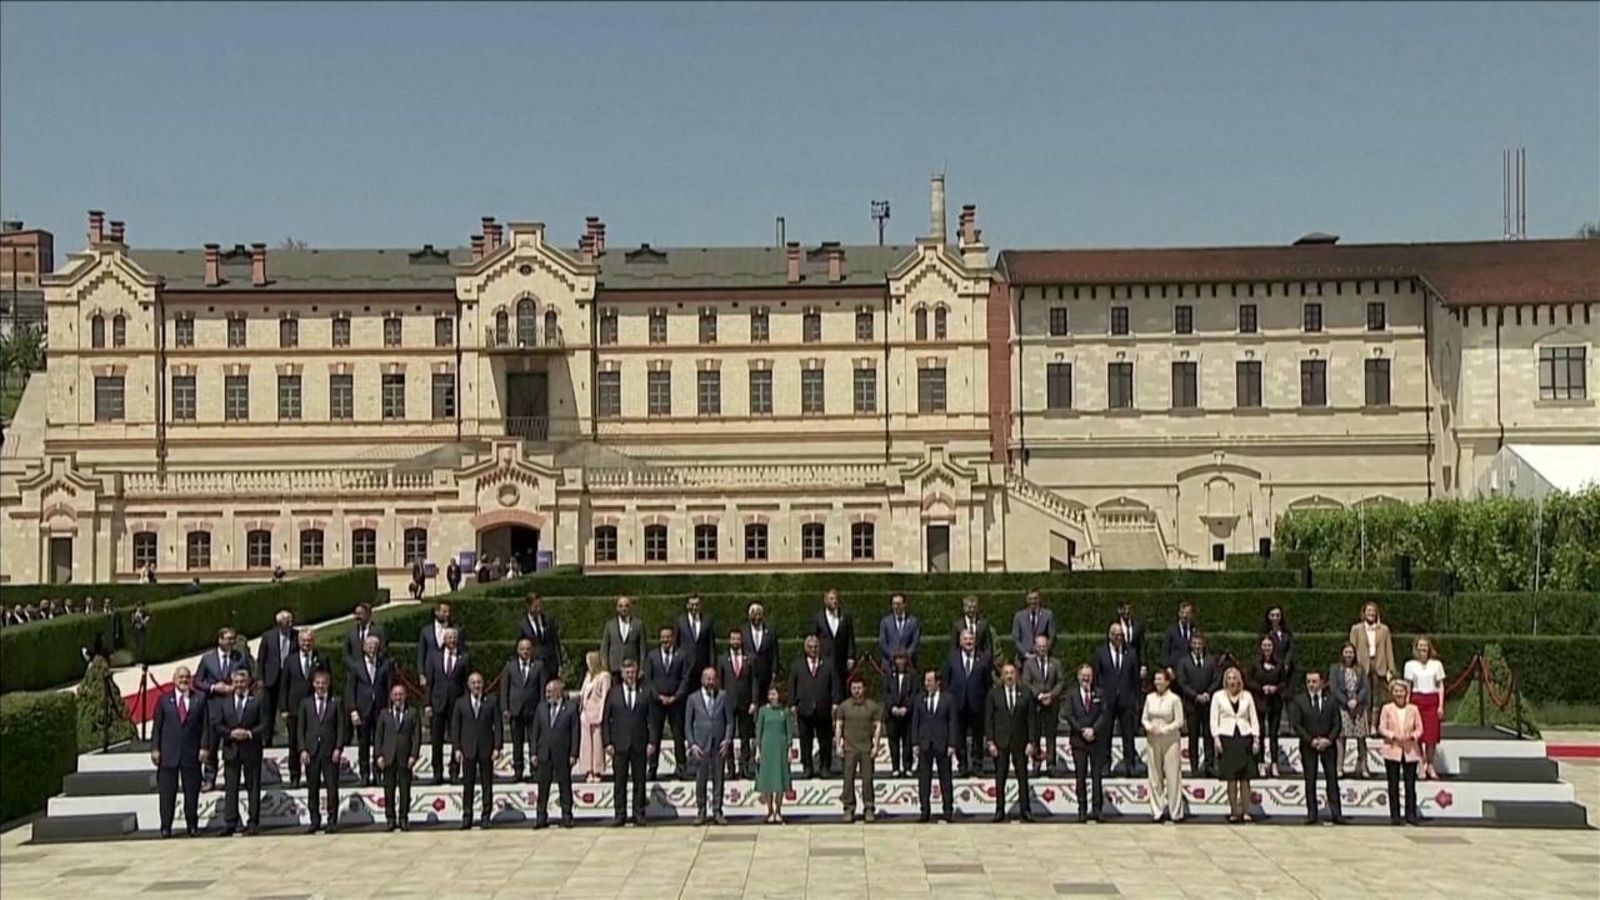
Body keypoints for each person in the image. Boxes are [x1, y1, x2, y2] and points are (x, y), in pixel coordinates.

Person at [150, 666, 208, 838]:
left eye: (187, 677)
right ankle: (166, 827)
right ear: (174, 679)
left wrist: (204, 747)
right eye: (181, 677)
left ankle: (192, 825)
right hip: (168, 755)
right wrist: (155, 749)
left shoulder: (199, 699)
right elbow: (157, 727)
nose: (184, 680)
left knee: (192, 792)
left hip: (191, 754)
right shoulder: (164, 700)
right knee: (167, 794)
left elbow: (206, 726)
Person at [195, 627, 251, 788]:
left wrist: (236, 687)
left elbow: (249, 677)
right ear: (220, 640)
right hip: (213, 706)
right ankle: (209, 778)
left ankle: (232, 779)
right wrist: (213, 687)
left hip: (233, 707)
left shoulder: (240, 658)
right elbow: (197, 682)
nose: (231, 642)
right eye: (228, 638)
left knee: (232, 744)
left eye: (233, 639)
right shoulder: (208, 659)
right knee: (211, 744)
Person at [215, 669, 266, 836]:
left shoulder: (257, 700)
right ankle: (231, 822)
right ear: (232, 683)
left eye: (242, 682)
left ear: (248, 682)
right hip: (231, 749)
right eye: (236, 682)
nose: (239, 685)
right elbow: (217, 725)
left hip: (251, 749)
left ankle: (253, 822)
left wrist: (249, 733)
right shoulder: (224, 702)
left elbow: (265, 724)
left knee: (253, 786)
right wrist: (230, 733)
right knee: (231, 787)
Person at [602, 658, 653, 827]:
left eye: (632, 672)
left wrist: (652, 741)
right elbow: (605, 720)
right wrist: (607, 742)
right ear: (622, 674)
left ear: (637, 673)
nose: (630, 675)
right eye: (627, 672)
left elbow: (651, 719)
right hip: (619, 744)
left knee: (640, 781)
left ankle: (639, 813)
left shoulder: (644, 692)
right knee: (620, 781)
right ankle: (620, 814)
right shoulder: (613, 693)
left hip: (639, 743)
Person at [1292, 668, 1345, 825]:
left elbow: (1337, 723)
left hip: (1328, 746)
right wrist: (1311, 740)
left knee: (1332, 779)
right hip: (1309, 746)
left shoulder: (1332, 700)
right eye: (1308, 682)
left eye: (1314, 682)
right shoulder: (1299, 700)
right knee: (1310, 780)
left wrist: (1328, 740)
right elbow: (1297, 725)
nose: (1311, 685)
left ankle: (1336, 813)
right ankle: (1312, 813)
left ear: (1321, 682)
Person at [298, 669, 347, 834]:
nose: (320, 686)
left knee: (332, 788)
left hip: (330, 752)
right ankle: (314, 820)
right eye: (318, 683)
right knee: (313, 789)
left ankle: (332, 821)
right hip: (311, 752)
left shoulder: (336, 702)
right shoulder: (305, 703)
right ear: (313, 684)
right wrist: (303, 749)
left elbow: (341, 727)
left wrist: (338, 748)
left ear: (328, 684)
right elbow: (300, 729)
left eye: (323, 683)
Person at [1093, 621, 1144, 777]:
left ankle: (1130, 765)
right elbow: (1096, 677)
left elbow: (1135, 679)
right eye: (1114, 635)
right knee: (1105, 736)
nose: (1117, 638)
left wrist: (1136, 700)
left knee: (1128, 736)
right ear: (1109, 636)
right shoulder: (1100, 653)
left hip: (1126, 700)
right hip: (1107, 702)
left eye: (1120, 635)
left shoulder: (1132, 653)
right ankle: (1105, 766)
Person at [451, 671, 501, 829]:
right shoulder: (461, 703)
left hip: (486, 749)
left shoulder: (491, 702)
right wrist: (457, 748)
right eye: (473, 683)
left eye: (479, 682)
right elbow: (455, 727)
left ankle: (486, 815)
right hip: (468, 749)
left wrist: (497, 747)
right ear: (468, 685)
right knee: (468, 785)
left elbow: (498, 726)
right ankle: (467, 815)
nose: (477, 685)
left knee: (487, 784)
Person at [986, 662, 1034, 823]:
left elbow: (1031, 720)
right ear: (1002, 676)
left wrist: (1032, 742)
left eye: (1012, 673)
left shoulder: (1026, 693)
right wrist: (990, 741)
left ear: (1016, 675)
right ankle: (999, 810)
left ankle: (1025, 810)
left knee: (1022, 777)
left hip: (1021, 741)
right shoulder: (994, 694)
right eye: (1006, 673)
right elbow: (989, 719)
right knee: (1000, 777)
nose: (1009, 676)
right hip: (1001, 741)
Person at [1211, 666, 1260, 824]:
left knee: (1245, 779)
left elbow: (1253, 718)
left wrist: (1256, 739)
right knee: (1231, 779)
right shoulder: (1218, 696)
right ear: (1225, 681)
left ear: (1240, 680)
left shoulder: (1247, 696)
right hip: (1227, 738)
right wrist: (1216, 738)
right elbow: (1214, 719)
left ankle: (1246, 811)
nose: (1232, 681)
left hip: (1244, 737)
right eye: (1229, 678)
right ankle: (1233, 811)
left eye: (1234, 678)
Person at [531, 677, 581, 829]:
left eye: (550, 691)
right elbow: (535, 733)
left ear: (559, 692)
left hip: (562, 754)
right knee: (543, 786)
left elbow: (575, 732)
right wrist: (533, 752)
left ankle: (566, 815)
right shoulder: (541, 708)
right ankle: (541, 816)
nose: (547, 694)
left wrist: (574, 753)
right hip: (544, 753)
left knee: (564, 785)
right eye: (546, 691)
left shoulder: (571, 708)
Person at [685, 666, 733, 825]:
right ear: (702, 680)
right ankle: (701, 811)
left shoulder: (723, 696)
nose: (711, 682)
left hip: (719, 745)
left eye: (713, 678)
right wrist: (692, 744)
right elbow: (687, 725)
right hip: (700, 746)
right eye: (708, 678)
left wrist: (727, 740)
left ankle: (717, 811)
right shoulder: (693, 698)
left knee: (719, 779)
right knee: (701, 780)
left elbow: (729, 722)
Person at [645, 625, 692, 780]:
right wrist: (658, 696)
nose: (665, 640)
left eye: (668, 637)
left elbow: (685, 678)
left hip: (676, 702)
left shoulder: (681, 655)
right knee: (655, 736)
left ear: (672, 638)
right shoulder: (652, 656)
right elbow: (649, 679)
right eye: (663, 637)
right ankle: (652, 768)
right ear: (660, 639)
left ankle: (681, 768)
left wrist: (676, 696)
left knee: (678, 736)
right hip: (656, 702)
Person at [423, 628, 469, 785]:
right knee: (437, 740)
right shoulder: (434, 657)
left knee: (456, 739)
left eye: (454, 638)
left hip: (456, 705)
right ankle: (437, 772)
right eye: (449, 638)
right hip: (438, 703)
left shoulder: (464, 658)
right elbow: (430, 682)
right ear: (444, 640)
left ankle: (454, 771)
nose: (452, 640)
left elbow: (465, 683)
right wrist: (427, 703)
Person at [834, 676, 883, 823]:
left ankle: (869, 808)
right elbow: (838, 726)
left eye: (859, 688)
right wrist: (838, 745)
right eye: (854, 688)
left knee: (867, 780)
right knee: (848, 780)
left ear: (864, 688)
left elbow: (878, 726)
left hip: (866, 749)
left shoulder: (872, 706)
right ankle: (848, 808)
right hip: (849, 748)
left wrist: (876, 746)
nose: (857, 691)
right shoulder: (844, 706)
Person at [945, 628, 993, 777]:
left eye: (971, 639)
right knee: (960, 736)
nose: (968, 642)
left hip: (977, 704)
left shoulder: (983, 659)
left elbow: (988, 683)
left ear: (975, 641)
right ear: (960, 641)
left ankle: (978, 765)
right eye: (965, 639)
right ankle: (963, 764)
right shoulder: (952, 658)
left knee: (978, 736)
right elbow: (947, 681)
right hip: (958, 704)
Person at [345, 634, 391, 786]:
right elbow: (350, 690)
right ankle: (364, 774)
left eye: (375, 648)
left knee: (380, 743)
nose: (372, 650)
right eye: (369, 647)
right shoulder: (356, 667)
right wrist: (352, 710)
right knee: (363, 743)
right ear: (364, 648)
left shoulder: (385, 665)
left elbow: (389, 687)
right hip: (362, 710)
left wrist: (389, 709)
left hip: (380, 710)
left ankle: (378, 773)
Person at [1065, 663, 1109, 823]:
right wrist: (1082, 730)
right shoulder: (1071, 694)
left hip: (1096, 741)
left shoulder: (1100, 693)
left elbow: (1104, 714)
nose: (1086, 678)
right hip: (1079, 741)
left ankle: (1097, 809)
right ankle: (1082, 809)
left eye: (1088, 675)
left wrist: (1094, 730)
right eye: (1083, 675)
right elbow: (1068, 715)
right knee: (1080, 776)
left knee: (1097, 776)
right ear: (1078, 676)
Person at [912, 669, 957, 823]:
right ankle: (924, 810)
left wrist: (952, 743)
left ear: (938, 682)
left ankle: (948, 810)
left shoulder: (948, 699)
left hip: (942, 743)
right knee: (924, 779)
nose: (927, 684)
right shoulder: (919, 699)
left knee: (945, 778)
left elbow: (952, 722)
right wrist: (915, 743)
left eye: (930, 681)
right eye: (925, 681)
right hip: (925, 744)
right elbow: (915, 722)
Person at [500, 637, 547, 783]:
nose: (525, 652)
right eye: (522, 649)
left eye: (527, 649)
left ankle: (535, 771)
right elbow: (504, 689)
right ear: (517, 650)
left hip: (534, 711)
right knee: (517, 743)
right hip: (516, 710)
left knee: (535, 742)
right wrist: (505, 707)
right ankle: (518, 771)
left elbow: (542, 688)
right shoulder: (510, 666)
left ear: (531, 650)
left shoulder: (538, 666)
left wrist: (542, 707)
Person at [1174, 630, 1221, 778]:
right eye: (1194, 643)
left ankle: (1209, 765)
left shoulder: (1211, 661)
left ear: (1203, 644)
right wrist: (1195, 696)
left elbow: (1217, 679)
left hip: (1208, 704)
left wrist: (1208, 693)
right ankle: (1194, 767)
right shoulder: (1184, 662)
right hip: (1192, 705)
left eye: (1199, 643)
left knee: (1208, 735)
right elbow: (1182, 682)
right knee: (1193, 736)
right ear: (1190, 645)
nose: (1197, 646)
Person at [789, 634, 836, 780]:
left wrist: (835, 703)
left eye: (815, 647)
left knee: (825, 740)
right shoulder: (797, 665)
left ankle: (825, 767)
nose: (813, 649)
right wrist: (792, 704)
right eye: (810, 647)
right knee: (805, 740)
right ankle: (807, 767)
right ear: (805, 648)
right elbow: (792, 685)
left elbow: (835, 684)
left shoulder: (828, 664)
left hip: (823, 707)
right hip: (804, 708)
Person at [374, 683, 420, 831]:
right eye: (395, 695)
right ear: (391, 697)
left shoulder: (412, 713)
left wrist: (414, 755)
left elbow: (416, 736)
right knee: (389, 790)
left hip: (405, 758)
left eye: (400, 694)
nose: (398, 697)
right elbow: (378, 736)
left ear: (405, 696)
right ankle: (390, 819)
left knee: (405, 790)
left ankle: (404, 818)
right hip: (388, 757)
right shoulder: (384, 713)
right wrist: (378, 755)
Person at [1141, 668, 1184, 823]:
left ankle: (1175, 812)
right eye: (1155, 679)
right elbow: (1144, 718)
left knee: (1173, 776)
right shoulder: (1149, 698)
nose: (1157, 682)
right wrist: (1149, 727)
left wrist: (1165, 730)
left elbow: (1179, 721)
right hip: (1152, 739)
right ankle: (1157, 810)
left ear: (1167, 681)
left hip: (1170, 740)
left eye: (1160, 679)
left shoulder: (1175, 699)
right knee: (1154, 776)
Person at [281, 629, 323, 789]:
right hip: (294, 708)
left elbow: (327, 682)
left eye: (309, 640)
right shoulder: (290, 660)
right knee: (294, 743)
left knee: (313, 743)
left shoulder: (321, 658)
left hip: (314, 708)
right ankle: (294, 775)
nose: (306, 643)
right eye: (304, 640)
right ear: (299, 642)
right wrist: (284, 708)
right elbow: (284, 685)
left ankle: (313, 775)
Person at [1378, 679, 1424, 825]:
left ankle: (1410, 815)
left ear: (1406, 693)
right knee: (1393, 784)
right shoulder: (1387, 708)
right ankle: (1395, 815)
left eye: (1401, 691)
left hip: (1410, 750)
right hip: (1393, 749)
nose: (1398, 694)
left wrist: (1413, 736)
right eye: (1396, 691)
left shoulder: (1413, 709)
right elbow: (1381, 727)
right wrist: (1392, 735)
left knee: (1410, 785)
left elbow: (1419, 728)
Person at [1349, 601, 1396, 732]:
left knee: (1377, 697)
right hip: (1362, 666)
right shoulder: (1356, 629)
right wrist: (1351, 667)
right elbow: (1351, 648)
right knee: (1364, 696)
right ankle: (1364, 723)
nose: (1371, 613)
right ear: (1364, 613)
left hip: (1379, 664)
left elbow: (1389, 650)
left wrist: (1390, 669)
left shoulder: (1384, 629)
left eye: (1373, 611)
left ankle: (1374, 725)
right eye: (1369, 611)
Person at [1248, 635, 1290, 777]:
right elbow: (1249, 681)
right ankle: (1260, 763)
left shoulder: (1279, 663)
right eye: (1265, 646)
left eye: (1269, 646)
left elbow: (1284, 682)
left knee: (1273, 734)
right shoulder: (1255, 664)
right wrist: (1261, 688)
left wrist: (1275, 688)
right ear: (1261, 647)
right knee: (1259, 733)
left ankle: (1274, 764)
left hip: (1275, 702)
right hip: (1260, 702)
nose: (1267, 648)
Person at [1405, 637, 1446, 780]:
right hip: (1417, 700)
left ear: (1429, 648)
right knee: (1418, 736)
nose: (1423, 649)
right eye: (1420, 646)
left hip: (1432, 701)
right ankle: (1420, 763)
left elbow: (1440, 685)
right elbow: (1408, 686)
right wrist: (1406, 705)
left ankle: (1430, 764)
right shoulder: (1410, 665)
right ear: (1416, 648)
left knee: (1431, 736)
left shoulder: (1436, 664)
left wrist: (1441, 705)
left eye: (1425, 646)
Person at [1021, 635, 1063, 776]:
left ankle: (1051, 764)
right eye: (1039, 646)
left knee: (1051, 735)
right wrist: (1039, 695)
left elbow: (1060, 682)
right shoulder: (1028, 664)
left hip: (1052, 704)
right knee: (1035, 734)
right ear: (1035, 647)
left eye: (1044, 646)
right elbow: (1026, 682)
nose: (1042, 649)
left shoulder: (1055, 663)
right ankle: (1037, 763)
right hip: (1035, 704)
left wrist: (1051, 695)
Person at [718, 629, 757, 779]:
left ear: (741, 640)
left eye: (737, 639)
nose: (735, 642)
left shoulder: (750, 659)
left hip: (745, 703)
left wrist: (754, 701)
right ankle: (730, 768)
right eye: (733, 639)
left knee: (745, 737)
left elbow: (754, 681)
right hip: (727, 703)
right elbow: (720, 683)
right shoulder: (723, 659)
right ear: (729, 640)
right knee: (728, 737)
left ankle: (745, 767)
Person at [1330, 642, 1372, 779]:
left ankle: (1364, 766)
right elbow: (1334, 688)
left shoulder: (1360, 669)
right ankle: (1339, 767)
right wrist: (1346, 701)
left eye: (1351, 652)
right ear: (1342, 653)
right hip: (1343, 706)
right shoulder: (1336, 669)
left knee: (1361, 738)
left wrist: (1357, 700)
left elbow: (1365, 687)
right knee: (1341, 738)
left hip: (1358, 707)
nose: (1349, 655)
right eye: (1346, 652)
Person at [755, 685, 794, 824]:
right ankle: (769, 810)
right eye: (770, 694)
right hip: (767, 747)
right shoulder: (763, 711)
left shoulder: (785, 711)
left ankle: (778, 810)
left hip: (781, 747)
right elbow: (759, 731)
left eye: (774, 694)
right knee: (768, 781)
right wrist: (758, 750)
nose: (771, 697)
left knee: (780, 780)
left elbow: (789, 732)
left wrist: (790, 749)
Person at [812, 588, 856, 704]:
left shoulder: (845, 616)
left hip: (841, 660)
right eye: (831, 599)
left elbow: (850, 638)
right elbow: (814, 639)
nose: (834, 601)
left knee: (842, 688)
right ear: (825, 600)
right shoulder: (818, 618)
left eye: (836, 598)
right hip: (824, 659)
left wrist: (851, 656)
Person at [577, 651, 611, 782]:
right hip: (586, 713)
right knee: (586, 744)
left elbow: (605, 696)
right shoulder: (588, 676)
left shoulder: (604, 676)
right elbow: (582, 693)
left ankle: (597, 770)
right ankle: (588, 770)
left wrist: (602, 714)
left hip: (597, 713)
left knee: (597, 743)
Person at [883, 651, 918, 777]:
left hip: (907, 715)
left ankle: (907, 767)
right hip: (892, 715)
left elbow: (915, 693)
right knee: (893, 741)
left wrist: (906, 708)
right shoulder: (889, 675)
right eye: (897, 659)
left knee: (907, 741)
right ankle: (895, 767)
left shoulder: (912, 675)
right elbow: (886, 693)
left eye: (902, 658)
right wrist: (892, 707)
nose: (900, 662)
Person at [518, 592, 562, 691]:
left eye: (540, 605)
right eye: (535, 606)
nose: (539, 609)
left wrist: (560, 663)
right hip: (535, 666)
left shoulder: (548, 620)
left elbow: (555, 642)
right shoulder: (523, 626)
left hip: (550, 665)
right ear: (528, 606)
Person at [416, 602, 464, 681]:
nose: (447, 614)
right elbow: (421, 653)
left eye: (448, 612)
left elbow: (462, 651)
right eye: (444, 611)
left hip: (450, 672)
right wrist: (421, 673)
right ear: (436, 612)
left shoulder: (457, 630)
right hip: (430, 672)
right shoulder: (425, 631)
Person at [742, 602, 779, 705]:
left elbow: (775, 654)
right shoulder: (743, 631)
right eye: (754, 615)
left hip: (765, 675)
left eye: (759, 614)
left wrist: (774, 673)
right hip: (748, 675)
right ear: (749, 616)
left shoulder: (770, 632)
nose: (757, 617)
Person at [601, 596, 646, 674]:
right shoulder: (610, 625)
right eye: (620, 606)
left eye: (626, 606)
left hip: (632, 669)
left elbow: (642, 648)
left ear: (630, 607)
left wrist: (642, 668)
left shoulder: (638, 624)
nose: (623, 608)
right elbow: (604, 648)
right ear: (616, 608)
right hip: (614, 668)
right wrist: (605, 668)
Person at [678, 593, 718, 680]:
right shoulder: (680, 621)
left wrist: (712, 665)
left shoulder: (707, 621)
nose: (694, 607)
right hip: (685, 667)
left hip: (702, 667)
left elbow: (711, 646)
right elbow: (677, 644)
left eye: (697, 605)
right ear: (687, 605)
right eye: (692, 605)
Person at [877, 593, 922, 669]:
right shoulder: (885, 622)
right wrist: (894, 657)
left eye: (898, 604)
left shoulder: (913, 622)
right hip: (889, 664)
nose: (895, 607)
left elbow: (915, 642)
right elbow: (882, 642)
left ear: (904, 604)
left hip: (908, 664)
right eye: (893, 604)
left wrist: (905, 657)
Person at [1010, 588, 1056, 660]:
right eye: (1030, 599)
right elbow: (1016, 639)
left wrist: (1042, 651)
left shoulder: (1048, 615)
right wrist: (1025, 653)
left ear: (1039, 599)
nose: (1033, 601)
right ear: (1026, 600)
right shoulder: (1019, 616)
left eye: (1035, 598)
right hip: (1023, 658)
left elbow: (1052, 637)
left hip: (1043, 657)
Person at [342, 603, 385, 668]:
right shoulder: (350, 632)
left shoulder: (378, 631)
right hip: (355, 672)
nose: (357, 617)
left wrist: (372, 663)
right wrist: (354, 667)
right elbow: (346, 653)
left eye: (360, 614)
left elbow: (383, 650)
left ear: (368, 615)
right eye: (356, 614)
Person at [1163, 601, 1199, 672]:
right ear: (1179, 614)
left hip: (1191, 669)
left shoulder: (1195, 629)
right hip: (1174, 669)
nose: (1184, 616)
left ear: (1191, 615)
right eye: (1182, 613)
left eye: (1187, 613)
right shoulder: (1171, 630)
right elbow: (1165, 650)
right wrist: (1168, 667)